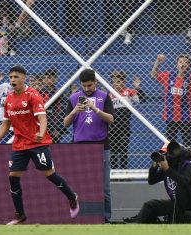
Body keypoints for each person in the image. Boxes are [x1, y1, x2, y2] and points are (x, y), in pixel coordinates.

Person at [0, 65, 79, 225]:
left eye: (16, 77)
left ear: (23, 78)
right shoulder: (9, 99)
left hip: (37, 143)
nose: (13, 80)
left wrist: (41, 133)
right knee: (13, 177)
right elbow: (6, 125)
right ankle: (20, 214)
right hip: (20, 144)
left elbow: (42, 118)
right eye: (11, 77)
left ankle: (72, 196)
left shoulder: (33, 95)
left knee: (49, 174)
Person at [63, 68, 114, 223]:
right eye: (84, 86)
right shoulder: (73, 98)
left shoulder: (104, 96)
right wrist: (74, 112)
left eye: (90, 85)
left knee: (104, 186)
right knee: (78, 184)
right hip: (79, 146)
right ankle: (79, 217)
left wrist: (95, 109)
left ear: (95, 82)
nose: (87, 89)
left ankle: (105, 218)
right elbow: (65, 124)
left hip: (101, 146)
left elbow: (111, 119)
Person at [135, 141, 191, 223]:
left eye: (165, 154)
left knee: (180, 188)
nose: (164, 156)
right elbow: (151, 181)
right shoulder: (166, 167)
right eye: (162, 154)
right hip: (178, 202)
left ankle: (174, 225)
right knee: (150, 205)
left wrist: (167, 169)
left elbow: (184, 182)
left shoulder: (187, 165)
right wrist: (154, 166)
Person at [150, 54, 191, 148]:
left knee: (187, 142)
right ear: (176, 64)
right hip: (171, 115)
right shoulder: (169, 76)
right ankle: (172, 161)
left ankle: (189, 161)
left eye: (186, 62)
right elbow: (153, 74)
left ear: (189, 66)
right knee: (171, 143)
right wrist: (158, 62)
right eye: (180, 62)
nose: (183, 64)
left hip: (185, 116)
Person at [109, 71, 146, 169]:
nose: (115, 84)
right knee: (113, 150)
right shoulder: (109, 94)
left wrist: (137, 87)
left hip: (124, 126)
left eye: (118, 81)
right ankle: (114, 171)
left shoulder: (129, 92)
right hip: (112, 127)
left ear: (123, 81)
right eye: (113, 82)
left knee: (123, 149)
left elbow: (142, 99)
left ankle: (124, 170)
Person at [40, 68, 68, 143]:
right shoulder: (39, 93)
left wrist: (58, 129)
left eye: (53, 78)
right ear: (43, 79)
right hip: (41, 126)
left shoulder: (59, 94)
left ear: (56, 79)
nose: (50, 80)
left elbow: (61, 111)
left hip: (55, 126)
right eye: (48, 78)